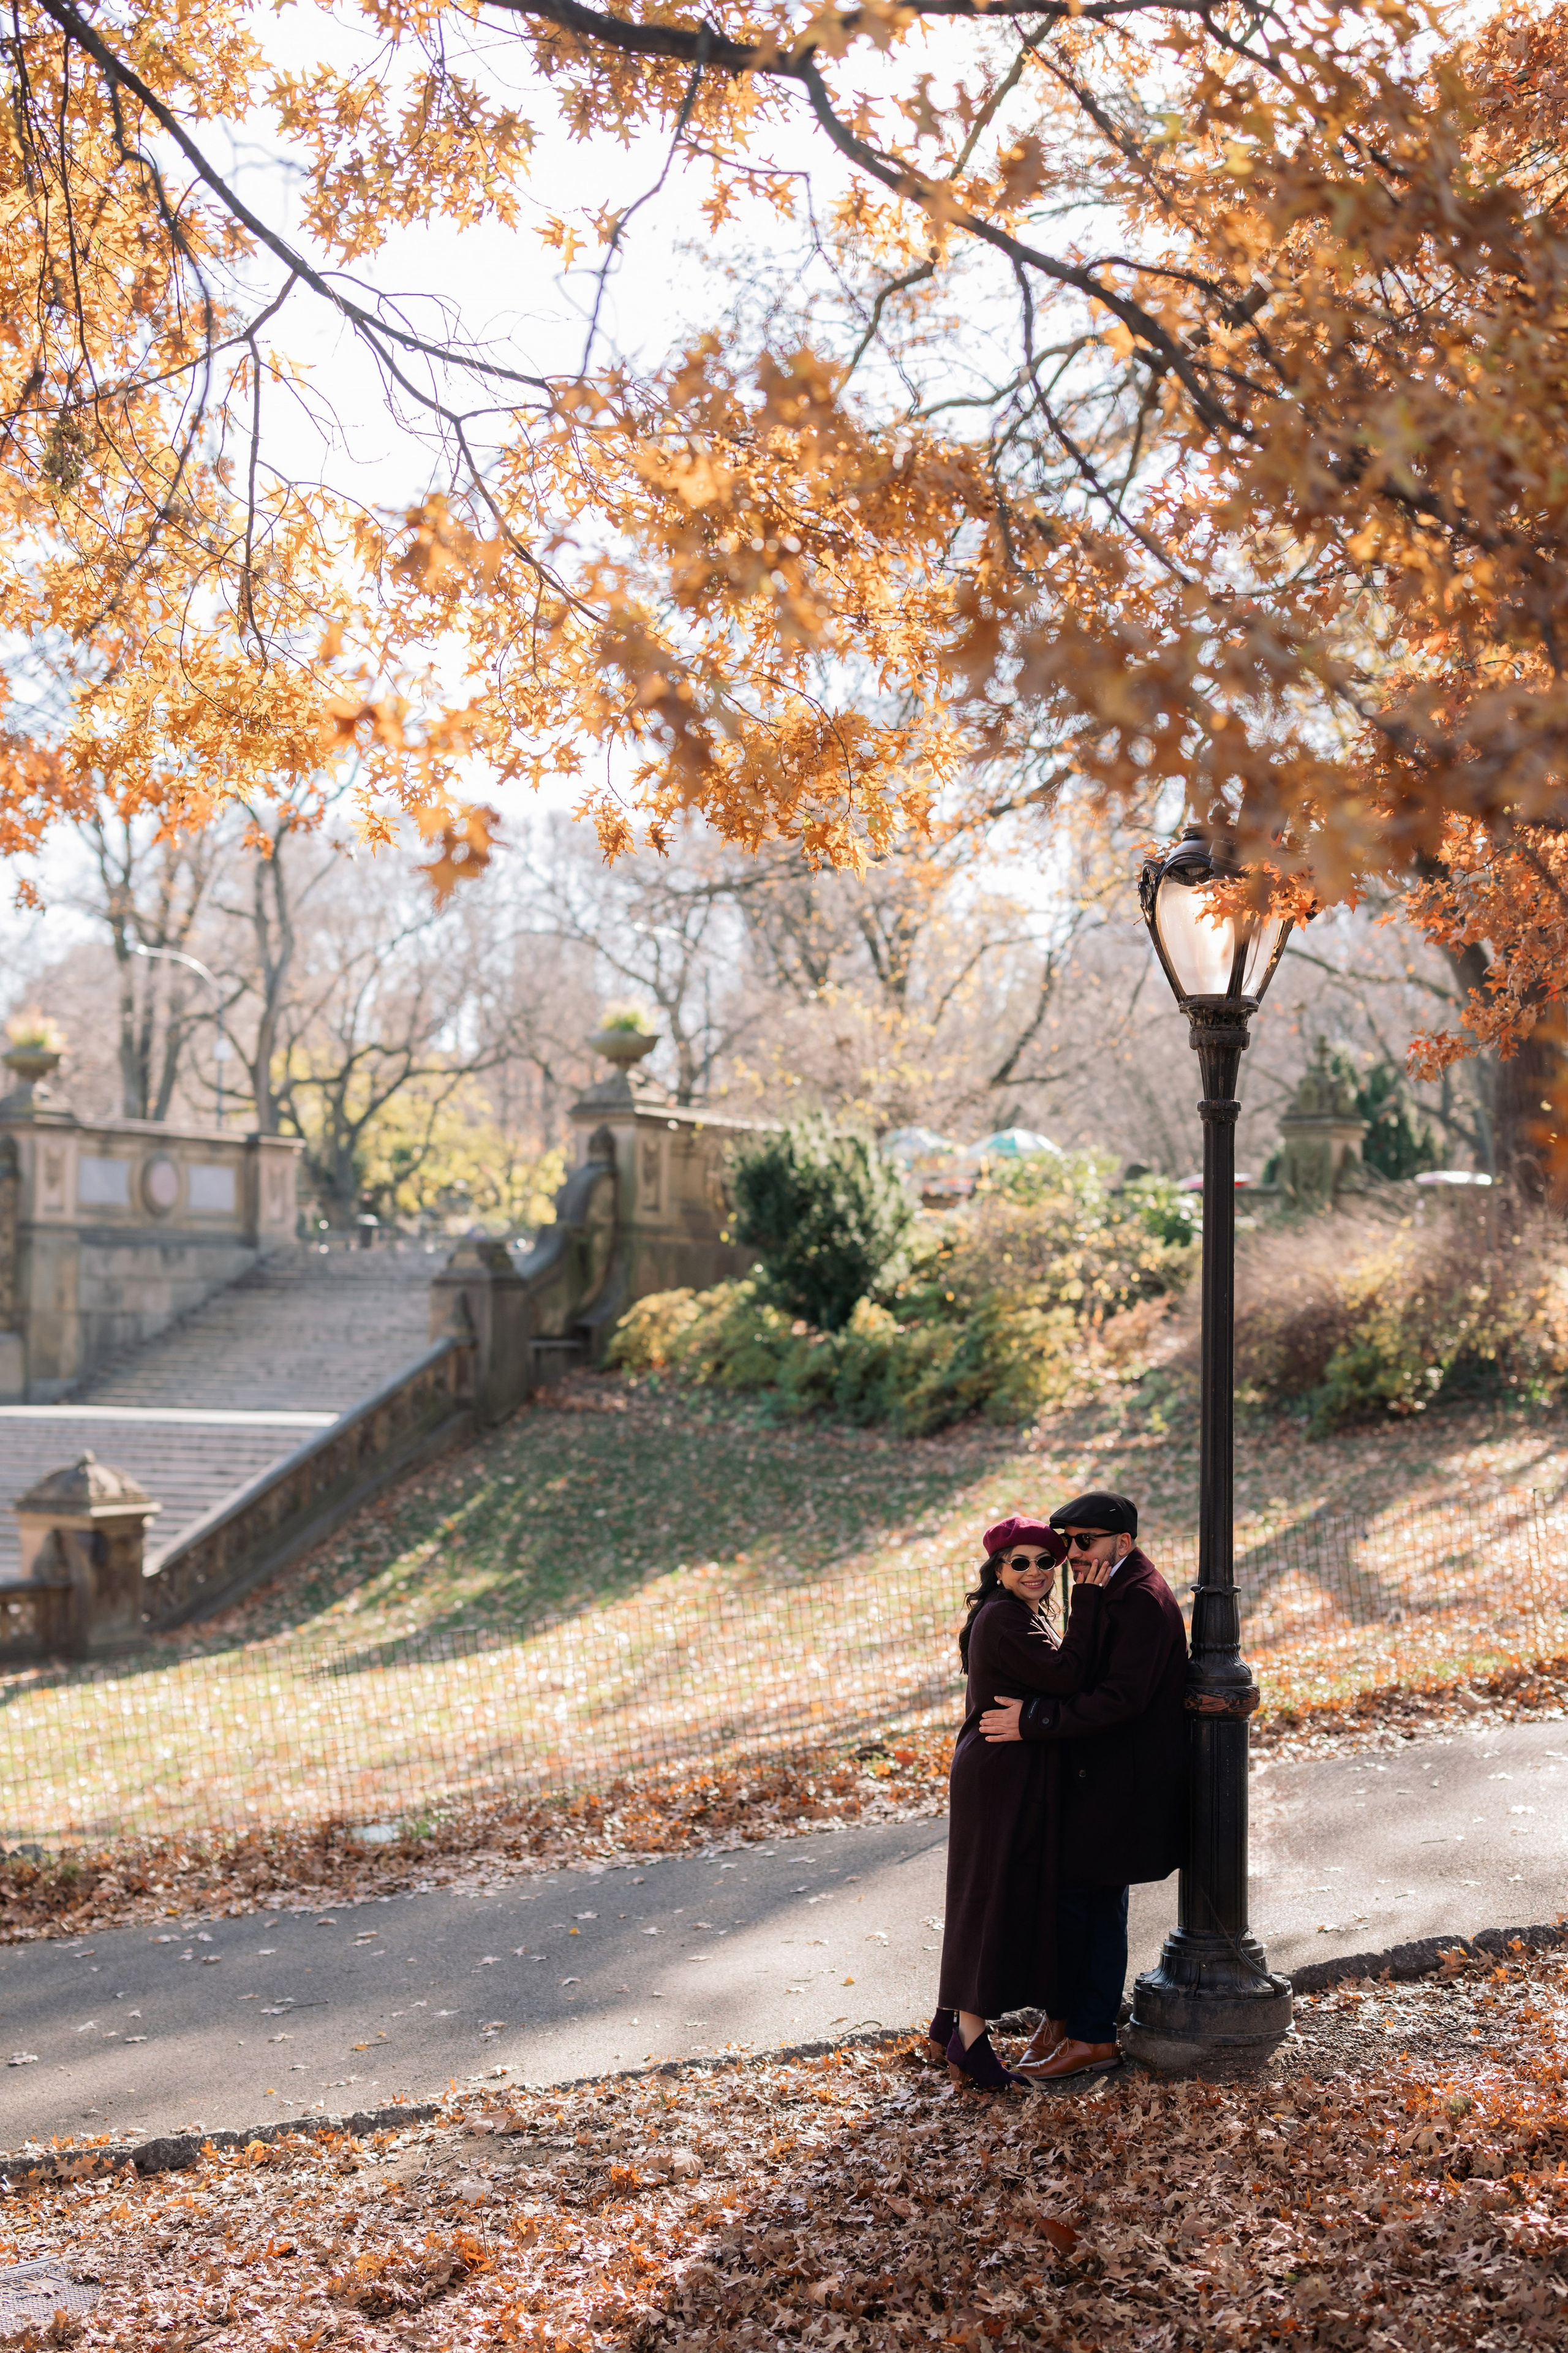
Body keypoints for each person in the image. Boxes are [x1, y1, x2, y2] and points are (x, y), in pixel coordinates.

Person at [981, 1489, 1186, 2084]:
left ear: (1123, 1542)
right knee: (1078, 1901)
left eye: (1084, 1541)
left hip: (1122, 1781)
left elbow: (1119, 1699)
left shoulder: (1140, 1598)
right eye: (1065, 1541)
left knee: (1093, 1906)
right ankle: (1069, 2018)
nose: (1069, 1554)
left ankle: (1091, 2033)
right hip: (1097, 1774)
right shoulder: (1104, 1585)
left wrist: (1033, 1721)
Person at [932, 1514, 1114, 2091]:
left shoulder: (1014, 1613)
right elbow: (1067, 1676)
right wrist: (1087, 1597)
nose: (1036, 1571)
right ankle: (968, 2040)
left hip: (1008, 1770)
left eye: (1045, 1561)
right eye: (1021, 1562)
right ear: (999, 1570)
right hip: (999, 1775)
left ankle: (946, 2023)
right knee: (990, 1897)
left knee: (987, 1890)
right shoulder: (1005, 1619)